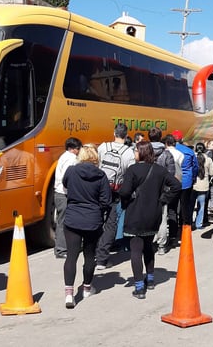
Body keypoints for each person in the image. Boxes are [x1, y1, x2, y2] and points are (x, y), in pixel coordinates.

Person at [118, 141, 181, 299]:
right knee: (148, 246)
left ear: (141, 152)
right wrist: (163, 199)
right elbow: (176, 185)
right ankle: (150, 279)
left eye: (136, 150)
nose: (134, 153)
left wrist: (126, 196)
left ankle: (139, 287)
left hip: (136, 214)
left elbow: (125, 192)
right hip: (154, 214)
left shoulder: (133, 170)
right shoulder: (160, 170)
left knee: (136, 249)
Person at [61, 144, 112, 308]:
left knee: (71, 256)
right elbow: (106, 201)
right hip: (92, 221)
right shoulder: (101, 175)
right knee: (89, 256)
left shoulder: (71, 171)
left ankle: (69, 295)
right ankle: (87, 288)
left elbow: (65, 186)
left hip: (72, 219)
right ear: (96, 158)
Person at [95, 123, 136, 270]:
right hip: (115, 191)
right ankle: (102, 259)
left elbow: (98, 164)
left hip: (98, 189)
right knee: (111, 224)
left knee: (97, 220)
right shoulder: (128, 153)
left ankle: (93, 251)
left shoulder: (103, 147)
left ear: (114, 133)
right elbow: (130, 174)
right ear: (126, 136)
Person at [149, 127, 177, 255]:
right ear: (161, 138)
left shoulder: (144, 151)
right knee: (162, 218)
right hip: (162, 191)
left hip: (145, 191)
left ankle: (149, 242)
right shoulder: (167, 154)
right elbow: (171, 174)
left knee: (147, 217)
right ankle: (161, 245)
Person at [53, 137, 82, 258]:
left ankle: (64, 247)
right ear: (72, 149)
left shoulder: (63, 156)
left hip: (60, 193)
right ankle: (61, 250)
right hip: (64, 194)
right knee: (63, 222)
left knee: (63, 221)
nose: (79, 151)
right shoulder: (71, 159)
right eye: (78, 149)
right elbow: (67, 178)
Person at [171, 130, 199, 230]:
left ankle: (173, 230)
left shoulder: (170, 151)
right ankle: (185, 226)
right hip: (186, 181)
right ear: (182, 139)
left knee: (173, 207)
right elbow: (195, 167)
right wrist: (194, 178)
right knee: (185, 205)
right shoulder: (189, 151)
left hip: (173, 181)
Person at [192, 142, 213, 230]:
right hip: (204, 185)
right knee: (201, 206)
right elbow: (212, 173)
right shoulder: (208, 159)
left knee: (190, 206)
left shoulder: (193, 158)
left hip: (193, 185)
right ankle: (198, 224)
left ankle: (189, 223)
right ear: (204, 149)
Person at [205, 139, 213, 216]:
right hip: (211, 175)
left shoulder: (212, 153)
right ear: (208, 145)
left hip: (210, 175)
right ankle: (212, 206)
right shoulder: (209, 153)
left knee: (212, 191)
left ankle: (212, 205)